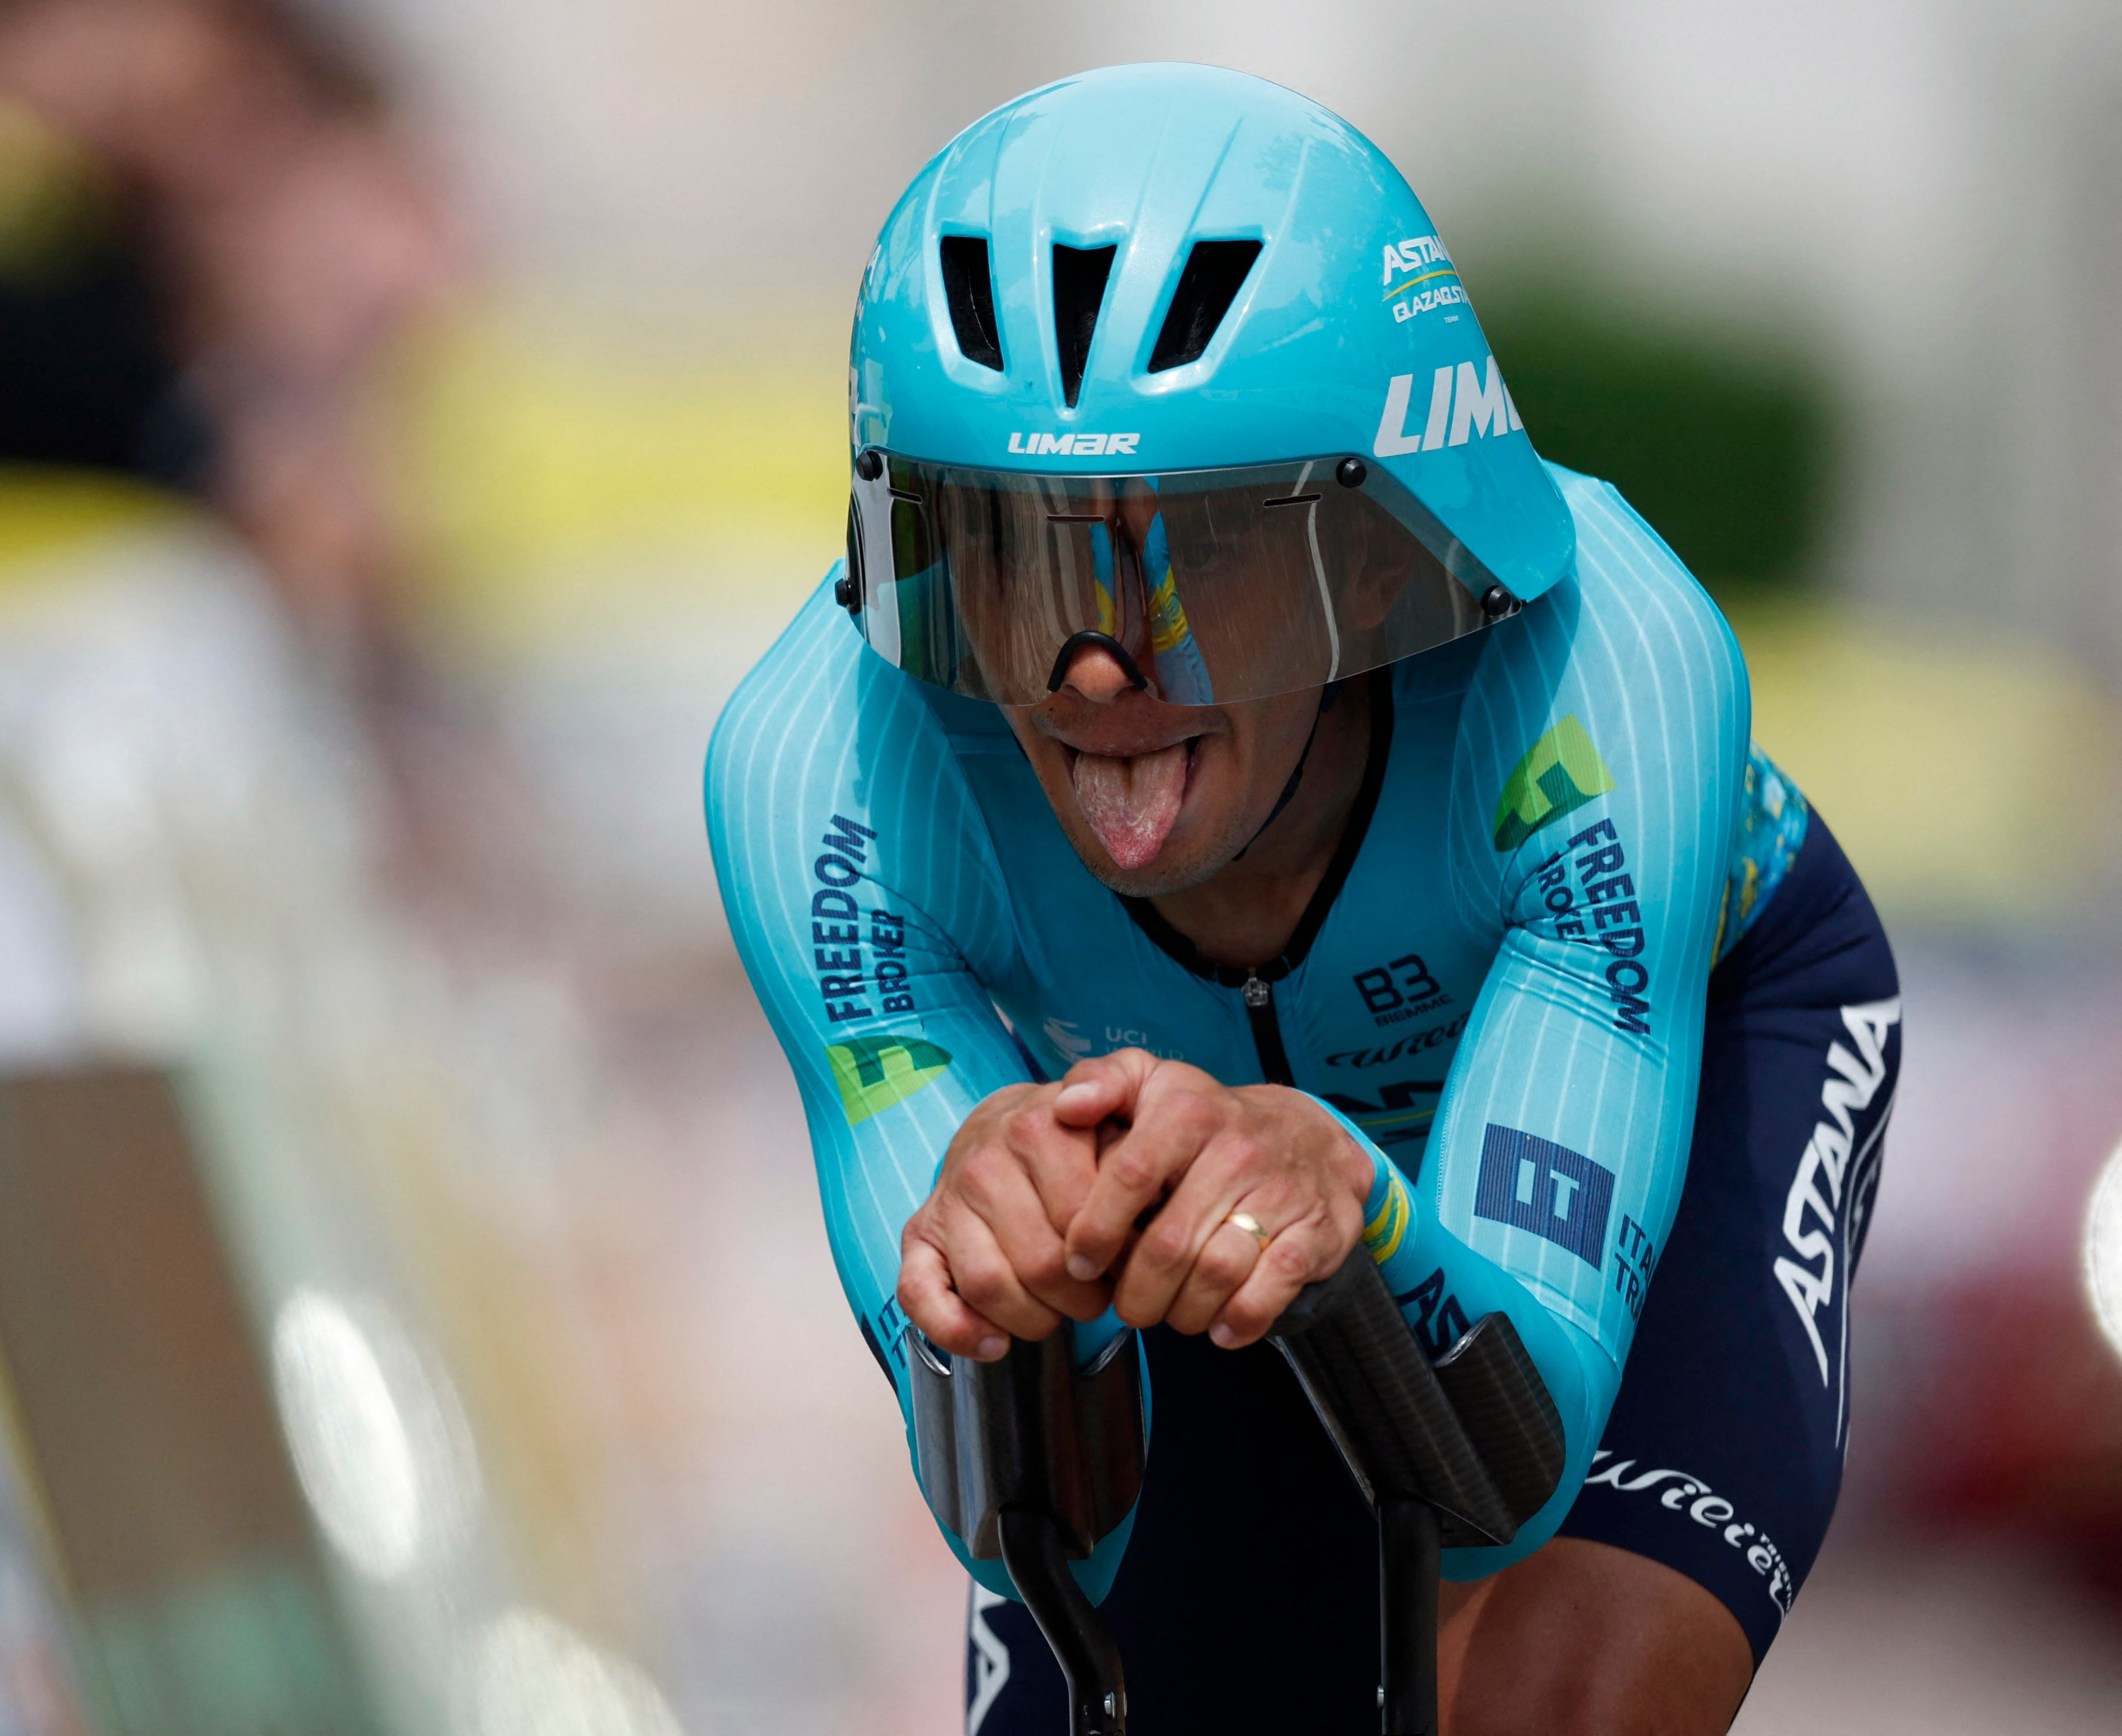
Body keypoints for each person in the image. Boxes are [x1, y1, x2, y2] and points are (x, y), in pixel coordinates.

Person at [705, 65, 1899, 1736]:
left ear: (1390, 555)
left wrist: (1369, 1211)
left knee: (1562, 1704)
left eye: (1193, 555)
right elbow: (1036, 1524)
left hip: (1707, 1030)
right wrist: (1007, 1311)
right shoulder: (818, 770)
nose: (1094, 668)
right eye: (1016, 553)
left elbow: (1504, 1476)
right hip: (1170, 1154)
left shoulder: (1603, 671)